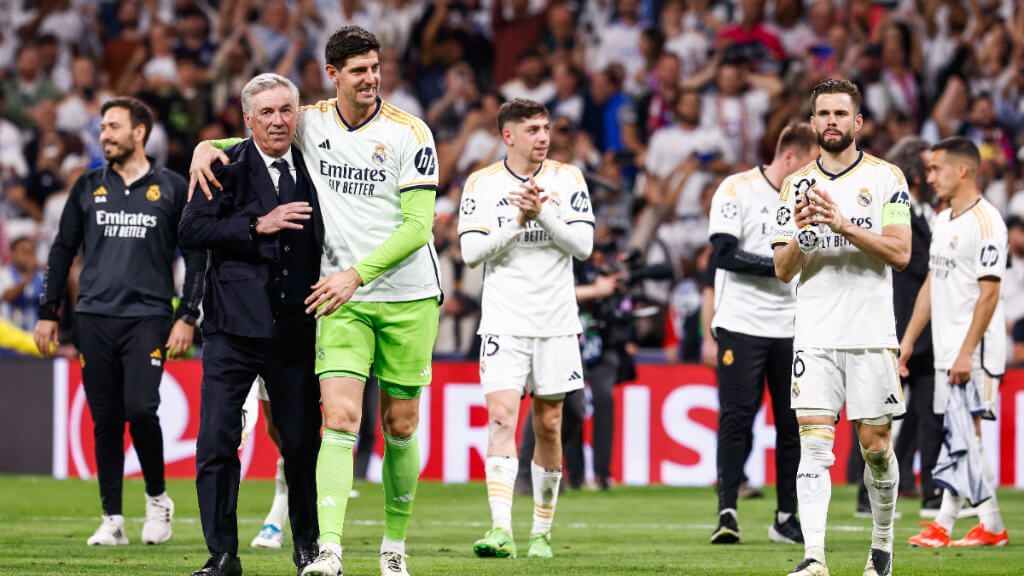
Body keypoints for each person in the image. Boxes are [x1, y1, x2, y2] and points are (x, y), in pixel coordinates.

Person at [191, 26, 440, 576]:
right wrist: (207, 146)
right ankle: (326, 550)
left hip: (406, 294)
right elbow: (259, 136)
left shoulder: (412, 133)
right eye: (358, 70)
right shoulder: (313, 122)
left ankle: (393, 546)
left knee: (399, 425)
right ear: (332, 75)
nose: (370, 78)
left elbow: (419, 225)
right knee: (341, 417)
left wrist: (357, 273)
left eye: (375, 67)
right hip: (338, 297)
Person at [34, 97, 206, 547]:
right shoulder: (88, 185)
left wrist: (187, 315)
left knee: (140, 410)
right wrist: (48, 313)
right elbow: (61, 250)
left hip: (148, 317)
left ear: (140, 132)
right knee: (105, 419)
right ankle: (112, 518)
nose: (104, 135)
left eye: (112, 127)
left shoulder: (170, 187)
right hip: (93, 316)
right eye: (101, 128)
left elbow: (195, 257)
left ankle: (156, 499)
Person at [179, 73, 323, 576]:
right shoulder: (225, 166)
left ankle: (308, 548)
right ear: (247, 120)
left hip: (295, 330)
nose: (279, 120)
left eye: (287, 110)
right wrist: (254, 225)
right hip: (232, 332)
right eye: (267, 112)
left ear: (298, 114)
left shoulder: (317, 165)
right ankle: (222, 555)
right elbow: (191, 229)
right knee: (216, 442)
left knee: (303, 445)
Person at [771, 79, 912, 576]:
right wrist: (805, 239)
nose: (831, 121)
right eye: (822, 114)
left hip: (872, 332)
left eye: (840, 113)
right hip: (816, 331)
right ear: (812, 124)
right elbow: (783, 269)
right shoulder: (795, 185)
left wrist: (842, 224)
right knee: (814, 442)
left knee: (875, 448)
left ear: (858, 122)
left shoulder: (888, 178)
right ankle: (814, 558)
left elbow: (900, 252)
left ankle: (882, 546)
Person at [457, 98, 594, 560]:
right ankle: (501, 530)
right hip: (504, 321)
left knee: (550, 425)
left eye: (546, 128)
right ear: (508, 136)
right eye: (532, 129)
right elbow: (472, 253)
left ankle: (541, 532)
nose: (542, 137)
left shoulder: (568, 178)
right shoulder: (482, 183)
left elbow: (583, 246)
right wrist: (518, 220)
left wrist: (543, 215)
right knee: (501, 419)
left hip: (556, 322)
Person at [706, 122, 819, 545]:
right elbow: (723, 254)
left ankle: (786, 517)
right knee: (737, 419)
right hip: (741, 323)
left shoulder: (810, 198)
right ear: (789, 157)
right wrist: (778, 267)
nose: (814, 173)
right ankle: (727, 512)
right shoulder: (736, 189)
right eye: (809, 164)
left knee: (792, 424)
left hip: (794, 325)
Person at [902, 137, 1009, 548]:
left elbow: (989, 294)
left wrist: (967, 351)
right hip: (948, 349)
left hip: (975, 351)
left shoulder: (988, 224)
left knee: (962, 434)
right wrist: (910, 338)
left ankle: (944, 525)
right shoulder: (944, 220)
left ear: (962, 170)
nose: (929, 177)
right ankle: (991, 526)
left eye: (935, 169)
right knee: (965, 436)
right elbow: (933, 282)